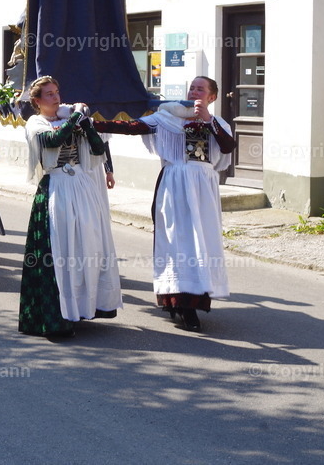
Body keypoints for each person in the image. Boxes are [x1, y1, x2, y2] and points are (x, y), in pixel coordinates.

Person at [94, 76, 235, 332]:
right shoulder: (167, 116)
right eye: (191, 87)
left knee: (200, 242)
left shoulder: (217, 123)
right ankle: (177, 302)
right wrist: (94, 124)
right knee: (176, 240)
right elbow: (133, 127)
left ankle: (194, 300)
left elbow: (228, 146)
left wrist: (208, 120)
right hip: (174, 184)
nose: (193, 91)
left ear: (212, 97)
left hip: (203, 188)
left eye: (200, 89)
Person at [18, 76, 122, 338]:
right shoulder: (35, 123)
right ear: (38, 101)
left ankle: (81, 308)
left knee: (85, 246)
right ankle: (56, 316)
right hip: (56, 187)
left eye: (57, 92)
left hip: (82, 187)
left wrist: (85, 124)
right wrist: (76, 117)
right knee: (60, 251)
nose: (55, 97)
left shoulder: (70, 119)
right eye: (49, 94)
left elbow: (97, 149)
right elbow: (52, 141)